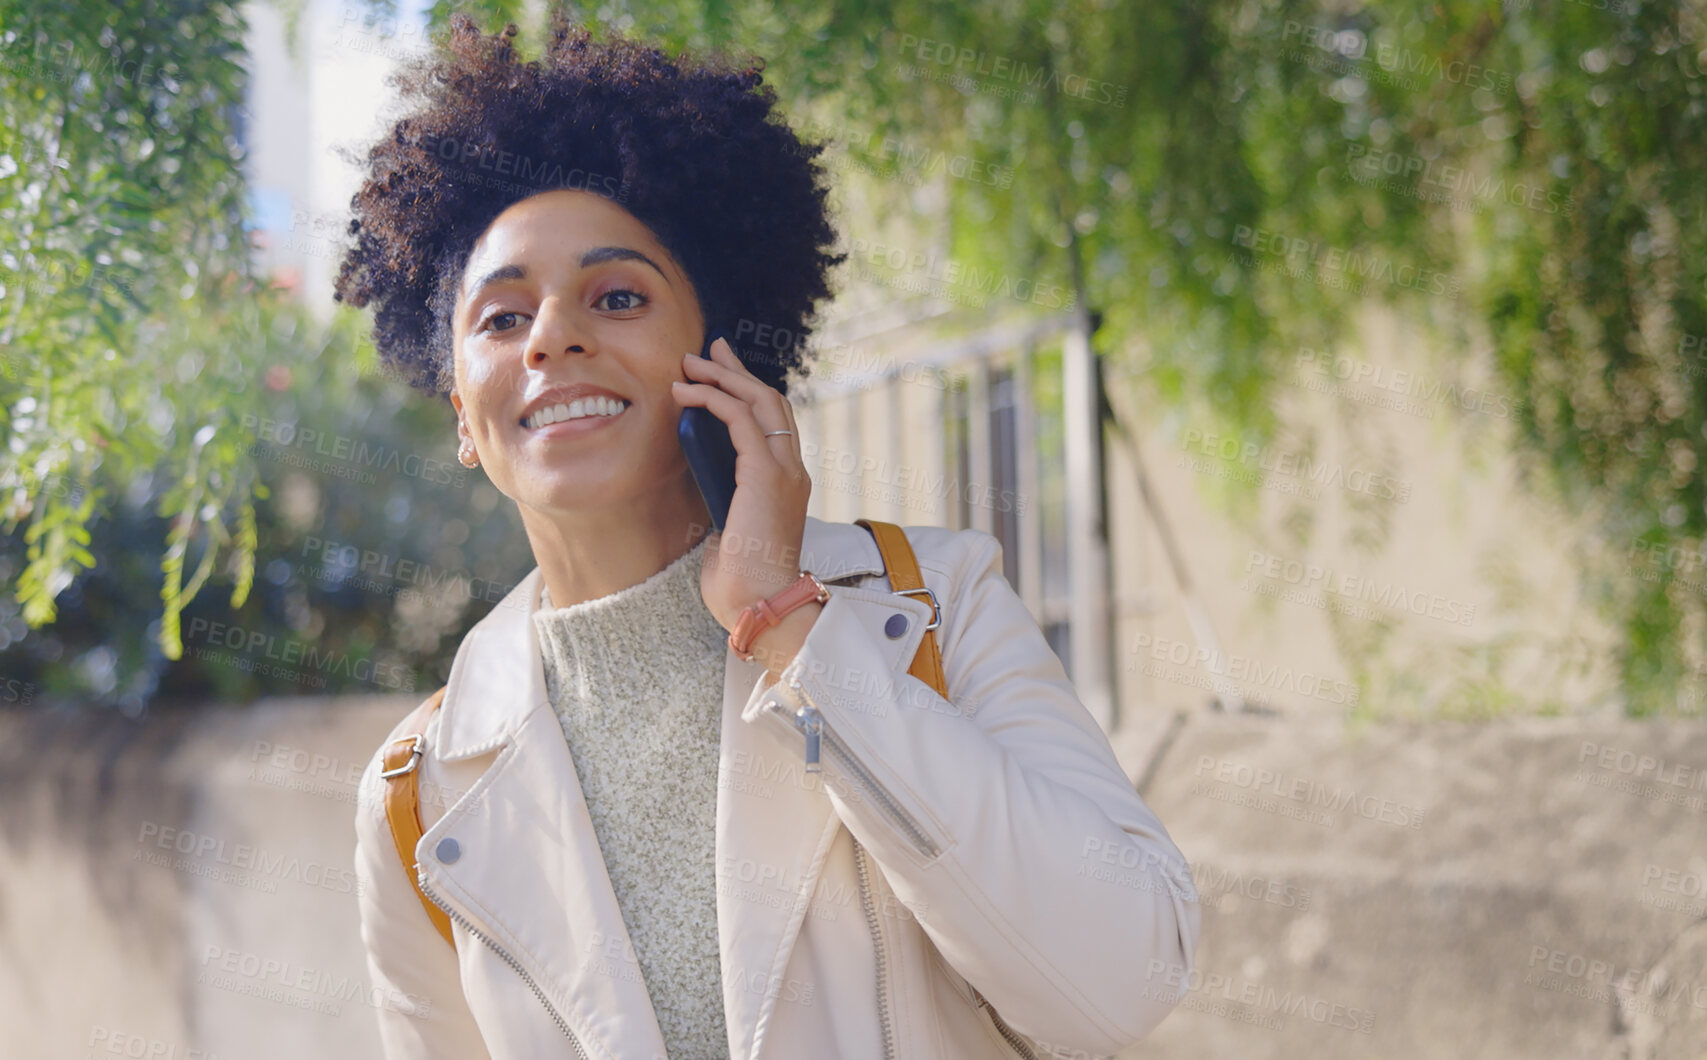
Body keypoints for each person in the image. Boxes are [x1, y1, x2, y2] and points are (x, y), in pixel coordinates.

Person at [337, 15, 1199, 1059]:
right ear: (463, 416)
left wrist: (791, 629)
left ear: (721, 359)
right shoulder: (416, 792)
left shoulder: (934, 601)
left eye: (615, 297)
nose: (553, 334)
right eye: (500, 318)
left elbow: (1126, 976)